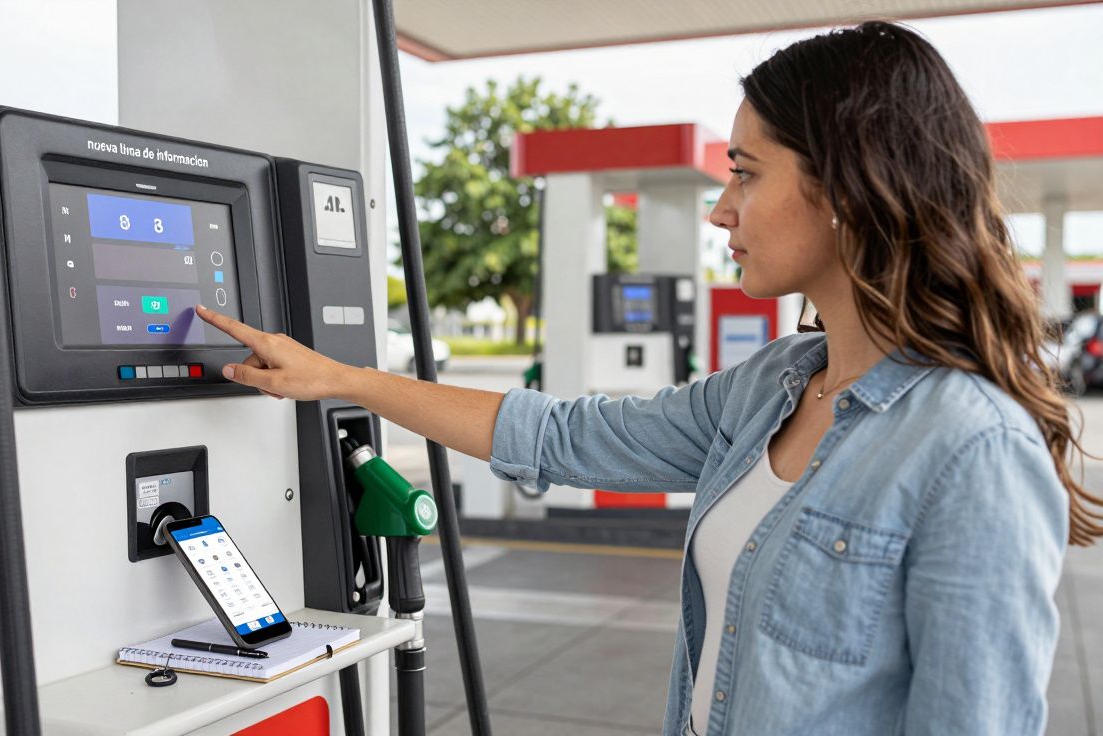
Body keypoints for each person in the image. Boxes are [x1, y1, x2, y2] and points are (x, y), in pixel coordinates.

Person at [193, 20, 1103, 735]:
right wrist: (342, 379)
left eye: (746, 175)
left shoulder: (972, 450)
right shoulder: (775, 387)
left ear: (847, 186)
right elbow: (561, 436)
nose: (721, 210)